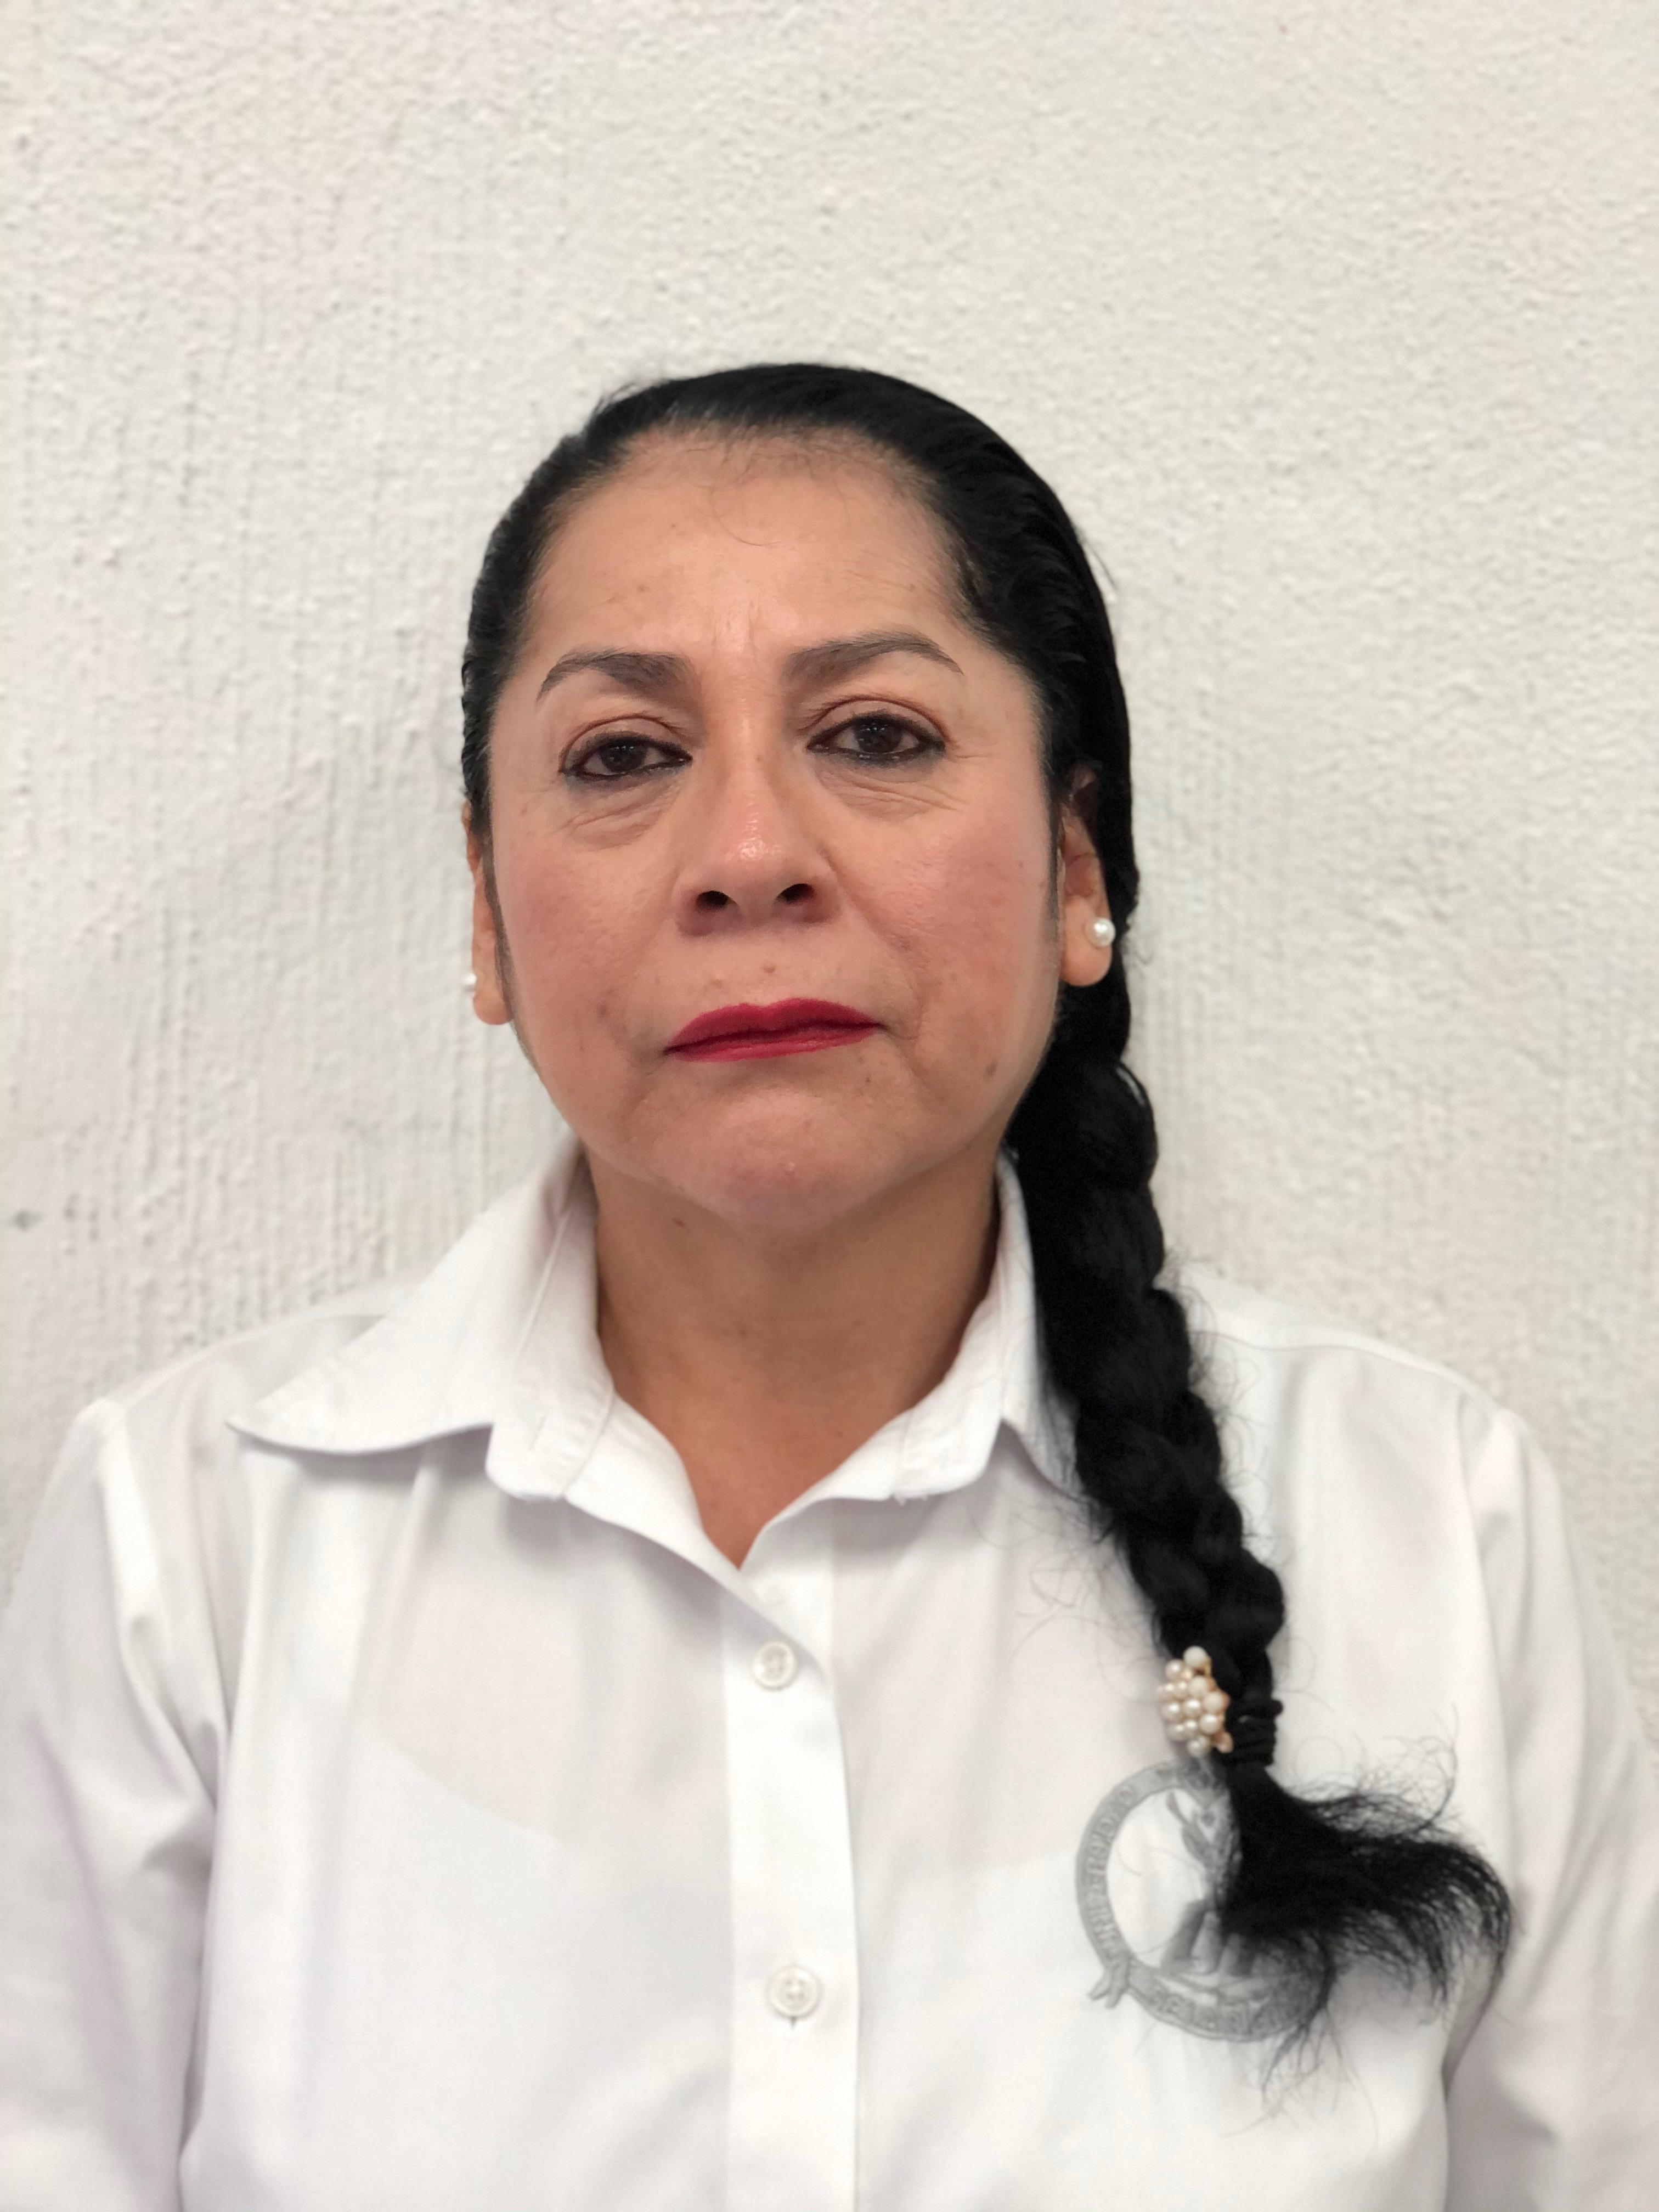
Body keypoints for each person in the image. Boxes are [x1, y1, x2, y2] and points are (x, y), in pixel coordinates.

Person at [1, 364, 1654, 2211]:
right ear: (485, 909)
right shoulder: (194, 1539)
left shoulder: (1431, 1524)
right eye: (624, 756)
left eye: (873, 735)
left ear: (1076, 866)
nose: (749, 858)